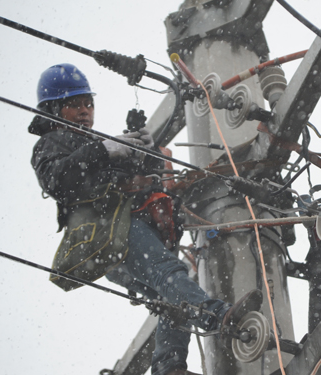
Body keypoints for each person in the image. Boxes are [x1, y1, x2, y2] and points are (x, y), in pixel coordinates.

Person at [29, 63, 262, 375]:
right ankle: (219, 316)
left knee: (173, 292)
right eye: (75, 104)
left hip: (118, 239)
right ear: (54, 110)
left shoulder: (90, 144)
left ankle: (169, 366)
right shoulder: (52, 143)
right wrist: (105, 149)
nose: (85, 111)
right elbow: (57, 180)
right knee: (170, 274)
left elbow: (142, 179)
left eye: (88, 103)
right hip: (110, 230)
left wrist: (142, 150)